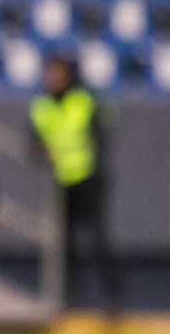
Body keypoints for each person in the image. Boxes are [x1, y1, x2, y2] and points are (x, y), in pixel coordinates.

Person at [29, 56, 122, 314]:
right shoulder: (41, 106)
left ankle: (113, 297)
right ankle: (74, 297)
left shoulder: (84, 100)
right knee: (66, 244)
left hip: (88, 179)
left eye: (57, 73)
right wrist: (40, 152)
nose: (52, 78)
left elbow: (100, 139)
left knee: (97, 239)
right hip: (60, 183)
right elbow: (34, 142)